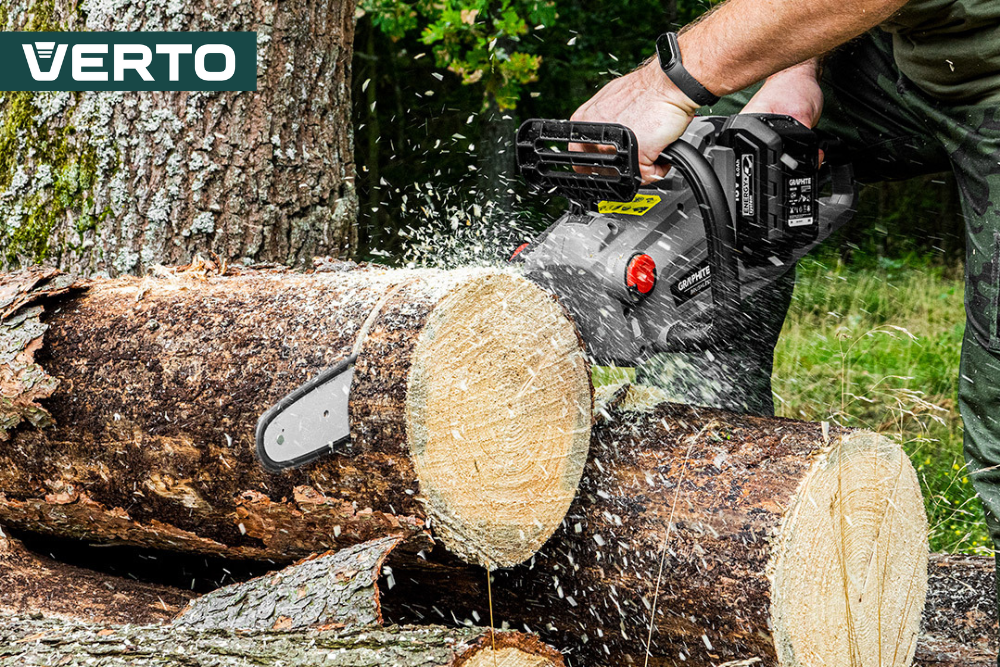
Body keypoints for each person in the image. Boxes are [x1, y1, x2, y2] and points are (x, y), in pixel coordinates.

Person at [571, 0, 1000, 648]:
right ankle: (701, 527)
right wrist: (793, 67)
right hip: (920, 53)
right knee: (715, 155)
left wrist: (668, 81)